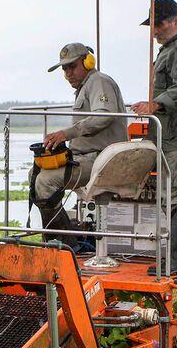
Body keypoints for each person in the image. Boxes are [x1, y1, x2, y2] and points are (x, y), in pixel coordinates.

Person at [129, 0, 177, 275]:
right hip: (170, 134)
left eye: (159, 24)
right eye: (153, 25)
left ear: (176, 21)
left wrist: (156, 104)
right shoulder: (171, 48)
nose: (155, 31)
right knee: (175, 195)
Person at [31, 42, 127, 250]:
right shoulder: (86, 87)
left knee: (45, 182)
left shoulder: (98, 82)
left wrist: (66, 134)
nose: (67, 74)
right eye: (64, 69)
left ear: (88, 61)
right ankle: (63, 237)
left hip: (103, 159)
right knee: (36, 171)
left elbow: (104, 116)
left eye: (72, 67)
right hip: (86, 156)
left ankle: (65, 247)